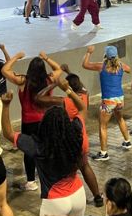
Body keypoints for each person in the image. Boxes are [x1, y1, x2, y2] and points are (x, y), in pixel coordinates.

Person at [2, 101, 94, 216]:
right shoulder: (75, 132)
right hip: (78, 194)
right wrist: (68, 90)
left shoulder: (37, 145)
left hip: (54, 203)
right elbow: (83, 109)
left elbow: (7, 133)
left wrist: (5, 105)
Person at [36, 71, 104, 207]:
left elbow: (38, 98)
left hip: (67, 139)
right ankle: (97, 197)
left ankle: (66, 193)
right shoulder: (85, 95)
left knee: (67, 169)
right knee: (85, 166)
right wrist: (68, 76)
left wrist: (54, 84)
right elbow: (81, 86)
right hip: (82, 135)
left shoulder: (63, 101)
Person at [2, 50, 64, 190]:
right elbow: (58, 68)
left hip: (28, 122)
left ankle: (31, 181)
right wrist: (46, 58)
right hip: (45, 120)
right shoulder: (49, 79)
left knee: (29, 150)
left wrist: (16, 57)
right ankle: (49, 175)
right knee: (46, 147)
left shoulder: (24, 81)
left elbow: (5, 69)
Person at [83, 45, 132, 160]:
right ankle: (127, 141)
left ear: (105, 55)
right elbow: (129, 69)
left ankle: (104, 153)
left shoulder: (101, 66)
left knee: (103, 126)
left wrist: (89, 52)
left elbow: (85, 64)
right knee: (120, 119)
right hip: (120, 99)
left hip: (108, 101)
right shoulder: (121, 66)